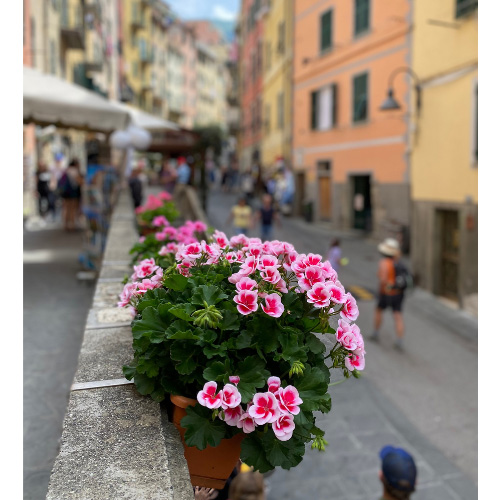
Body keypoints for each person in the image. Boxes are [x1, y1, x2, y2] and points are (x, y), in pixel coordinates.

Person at [371, 238, 406, 350]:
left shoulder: (384, 262)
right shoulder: (398, 263)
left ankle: (375, 333)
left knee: (379, 310)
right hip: (398, 293)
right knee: (398, 316)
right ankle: (399, 340)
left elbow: (383, 279)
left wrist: (380, 290)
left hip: (386, 293)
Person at [58, 159, 83, 230]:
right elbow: (79, 181)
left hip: (66, 192)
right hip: (72, 192)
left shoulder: (67, 170)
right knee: (72, 208)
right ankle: (72, 225)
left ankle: (66, 224)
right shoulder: (74, 171)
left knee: (66, 208)